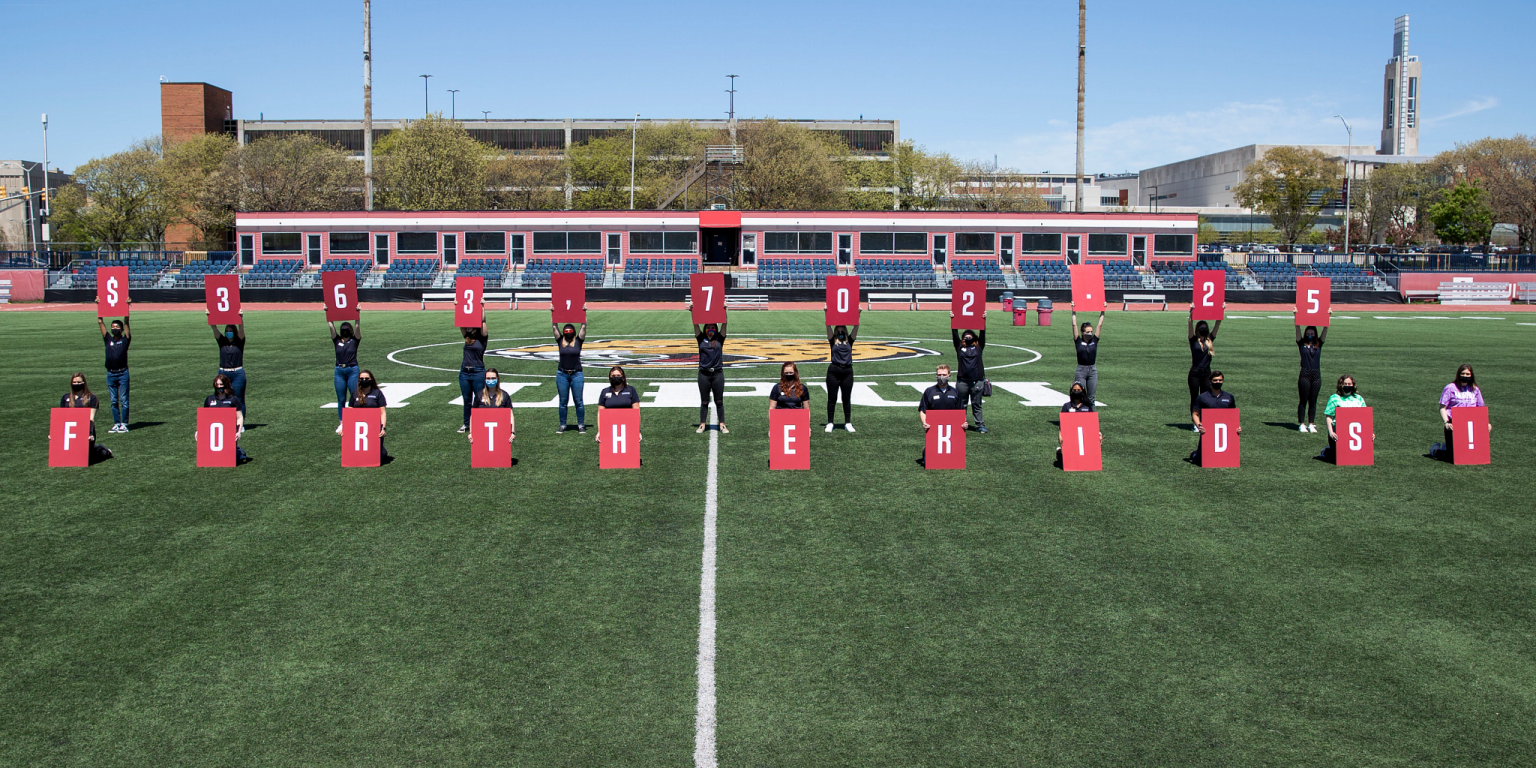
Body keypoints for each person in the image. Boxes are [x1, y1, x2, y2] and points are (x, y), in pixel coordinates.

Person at [1434, 364, 1488, 461]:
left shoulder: (1475, 389)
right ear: (1458, 374)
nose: (1465, 376)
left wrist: (1485, 423)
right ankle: (1435, 450)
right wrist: (1446, 422)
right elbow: (1442, 408)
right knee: (1454, 457)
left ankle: (1447, 447)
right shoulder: (1450, 388)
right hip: (1453, 423)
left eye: (1468, 374)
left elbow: (1480, 408)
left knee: (1470, 455)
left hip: (1471, 423)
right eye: (1463, 373)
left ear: (1471, 375)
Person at [916, 363, 965, 467]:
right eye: (939, 375)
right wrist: (925, 423)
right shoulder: (929, 391)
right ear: (936, 376)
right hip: (934, 427)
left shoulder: (955, 392)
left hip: (951, 427)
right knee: (934, 452)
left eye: (944, 375)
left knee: (950, 452)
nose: (941, 377)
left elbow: (961, 411)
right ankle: (927, 450)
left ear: (949, 375)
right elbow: (922, 410)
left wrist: (964, 423)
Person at [59, 372, 113, 463]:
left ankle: (103, 450)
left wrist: (90, 433)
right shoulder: (65, 398)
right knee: (68, 458)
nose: (77, 384)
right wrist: (54, 434)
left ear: (84, 383)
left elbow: (91, 418)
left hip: (85, 431)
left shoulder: (91, 397)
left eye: (79, 382)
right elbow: (61, 418)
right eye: (75, 382)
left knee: (87, 459)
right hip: (69, 432)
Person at [1189, 370, 1239, 465]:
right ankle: (1195, 454)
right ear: (1210, 381)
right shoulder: (1203, 397)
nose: (1218, 382)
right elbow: (1195, 414)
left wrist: (1237, 427)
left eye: (1220, 380)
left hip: (1224, 433)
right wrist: (1199, 426)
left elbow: (1233, 415)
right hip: (1208, 431)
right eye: (1215, 380)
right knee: (1199, 461)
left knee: (1225, 460)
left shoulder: (1229, 397)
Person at [1187, 305, 1224, 431]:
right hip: (1194, 373)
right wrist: (1191, 312)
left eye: (1205, 327)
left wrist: (1221, 310)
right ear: (1198, 329)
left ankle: (1204, 421)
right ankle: (1195, 423)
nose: (1204, 329)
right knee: (1194, 398)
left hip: (1206, 374)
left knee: (1205, 398)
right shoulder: (1193, 340)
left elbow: (1217, 324)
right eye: (1201, 327)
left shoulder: (1210, 340)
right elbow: (1190, 324)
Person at [950, 313, 988, 433]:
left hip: (977, 381)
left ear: (974, 338)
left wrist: (983, 319)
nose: (968, 337)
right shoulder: (959, 347)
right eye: (965, 336)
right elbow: (954, 334)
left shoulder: (979, 347)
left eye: (970, 335)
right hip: (962, 381)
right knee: (962, 404)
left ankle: (980, 425)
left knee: (977, 404)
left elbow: (982, 333)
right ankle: (960, 424)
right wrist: (953, 320)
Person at [201, 373, 251, 464]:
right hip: (214, 433)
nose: (219, 387)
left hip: (228, 432)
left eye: (221, 384)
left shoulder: (233, 399)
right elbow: (204, 418)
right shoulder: (209, 399)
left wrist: (238, 432)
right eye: (217, 385)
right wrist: (199, 431)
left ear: (226, 385)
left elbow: (239, 417)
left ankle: (239, 452)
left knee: (230, 459)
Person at [96, 305, 131, 433]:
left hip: (122, 373)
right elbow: (100, 322)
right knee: (113, 401)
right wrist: (99, 306)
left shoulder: (125, 340)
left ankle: (124, 423)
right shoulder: (108, 339)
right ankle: (116, 423)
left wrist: (126, 308)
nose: (114, 328)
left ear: (121, 329)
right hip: (110, 373)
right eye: (112, 326)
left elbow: (127, 322)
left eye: (117, 327)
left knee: (124, 400)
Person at [823, 310, 859, 432]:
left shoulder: (850, 340)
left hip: (847, 371)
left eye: (842, 329)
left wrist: (858, 313)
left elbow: (856, 326)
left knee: (846, 398)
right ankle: (830, 422)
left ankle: (848, 422)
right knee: (832, 398)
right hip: (834, 370)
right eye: (838, 329)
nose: (840, 331)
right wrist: (826, 312)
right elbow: (827, 325)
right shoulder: (832, 340)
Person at [1320, 374, 1369, 461]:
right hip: (1338, 432)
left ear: (1353, 385)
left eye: (1349, 384)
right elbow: (1329, 416)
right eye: (1345, 384)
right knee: (1337, 458)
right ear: (1340, 385)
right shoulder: (1334, 398)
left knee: (1355, 458)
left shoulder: (1358, 398)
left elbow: (1365, 417)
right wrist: (1331, 432)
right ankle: (1327, 451)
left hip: (1355, 431)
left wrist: (1369, 433)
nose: (1347, 386)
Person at [553, 314, 587, 434]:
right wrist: (554, 312)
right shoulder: (560, 341)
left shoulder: (578, 341)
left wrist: (583, 313)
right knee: (563, 401)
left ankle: (581, 425)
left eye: (570, 331)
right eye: (566, 331)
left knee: (579, 401)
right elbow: (554, 327)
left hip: (576, 374)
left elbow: (583, 327)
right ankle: (563, 425)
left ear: (573, 332)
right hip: (562, 374)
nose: (568, 333)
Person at [208, 309, 247, 415]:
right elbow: (214, 328)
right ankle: (225, 421)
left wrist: (240, 318)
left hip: (237, 373)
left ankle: (240, 423)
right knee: (221, 397)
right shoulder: (222, 342)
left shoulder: (239, 342)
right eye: (227, 331)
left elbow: (241, 329)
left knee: (238, 399)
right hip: (223, 373)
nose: (228, 333)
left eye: (230, 331)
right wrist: (209, 316)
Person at [468, 367, 516, 452]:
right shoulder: (479, 395)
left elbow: (510, 415)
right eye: (488, 378)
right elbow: (473, 416)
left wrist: (512, 432)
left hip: (500, 433)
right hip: (482, 434)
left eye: (493, 378)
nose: (490, 380)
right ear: (485, 379)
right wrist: (471, 433)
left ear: (497, 379)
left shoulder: (504, 395)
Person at [347, 368, 390, 461]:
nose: (364, 380)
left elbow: (383, 413)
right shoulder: (354, 394)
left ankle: (382, 450)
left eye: (366, 378)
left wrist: (383, 428)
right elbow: (349, 413)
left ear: (371, 380)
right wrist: (344, 428)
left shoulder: (377, 393)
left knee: (375, 458)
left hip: (374, 428)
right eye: (362, 378)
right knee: (356, 458)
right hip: (358, 428)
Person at [1295, 320, 1329, 432]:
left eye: (1312, 334)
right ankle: (1302, 423)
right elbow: (1297, 330)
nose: (1310, 335)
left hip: (1316, 374)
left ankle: (1311, 423)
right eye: (1308, 334)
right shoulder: (1301, 344)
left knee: (1313, 400)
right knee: (1303, 400)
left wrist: (1327, 318)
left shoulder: (1319, 344)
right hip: (1305, 373)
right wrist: (1296, 318)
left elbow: (1325, 331)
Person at [695, 321, 729, 434]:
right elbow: (695, 324)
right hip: (704, 374)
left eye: (713, 327)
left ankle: (722, 424)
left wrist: (724, 314)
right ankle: (702, 424)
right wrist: (692, 312)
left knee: (719, 401)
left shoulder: (719, 339)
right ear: (705, 329)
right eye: (708, 327)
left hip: (717, 374)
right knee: (704, 401)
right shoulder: (701, 339)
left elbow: (725, 325)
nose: (710, 329)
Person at [329, 318, 361, 434]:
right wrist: (329, 316)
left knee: (354, 397)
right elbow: (331, 328)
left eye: (347, 329)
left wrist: (357, 317)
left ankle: (355, 420)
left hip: (352, 369)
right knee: (341, 399)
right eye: (343, 330)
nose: (345, 331)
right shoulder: (337, 340)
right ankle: (342, 422)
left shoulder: (354, 341)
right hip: (339, 371)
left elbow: (358, 328)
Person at [458, 311, 489, 433]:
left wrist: (482, 306)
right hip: (464, 372)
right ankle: (466, 424)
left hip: (478, 372)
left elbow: (483, 321)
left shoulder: (482, 338)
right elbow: (461, 322)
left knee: (480, 398)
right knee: (466, 399)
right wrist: (458, 306)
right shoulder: (467, 337)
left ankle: (481, 422)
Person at [595, 365, 642, 444]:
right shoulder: (605, 391)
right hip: (609, 427)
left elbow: (636, 412)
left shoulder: (631, 390)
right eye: (613, 376)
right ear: (609, 378)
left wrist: (637, 431)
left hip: (628, 426)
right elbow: (600, 413)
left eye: (618, 375)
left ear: (623, 377)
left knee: (629, 452)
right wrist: (600, 431)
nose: (616, 377)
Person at [1055, 381, 1099, 464]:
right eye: (1074, 390)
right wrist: (1060, 435)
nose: (1076, 392)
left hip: (1085, 435)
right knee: (1069, 463)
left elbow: (1092, 423)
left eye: (1078, 390)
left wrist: (1098, 434)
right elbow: (1062, 423)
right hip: (1071, 436)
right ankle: (1059, 455)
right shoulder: (1066, 406)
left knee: (1087, 461)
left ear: (1082, 391)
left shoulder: (1087, 406)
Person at [1070, 302, 1104, 403]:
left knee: (1091, 398)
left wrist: (1103, 310)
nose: (1090, 333)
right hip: (1081, 370)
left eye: (1091, 331)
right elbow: (1074, 325)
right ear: (1082, 332)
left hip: (1092, 370)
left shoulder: (1094, 340)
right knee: (1080, 396)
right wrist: (1073, 310)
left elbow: (1100, 325)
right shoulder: (1078, 341)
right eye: (1087, 331)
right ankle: (1080, 415)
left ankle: (1092, 416)